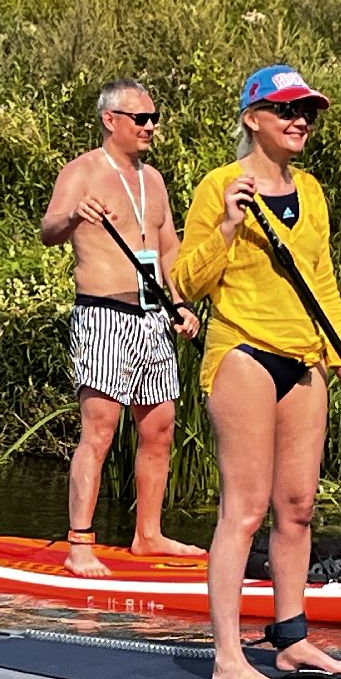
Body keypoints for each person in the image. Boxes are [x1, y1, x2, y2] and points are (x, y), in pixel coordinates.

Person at [172, 66, 341, 679]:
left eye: (307, 112)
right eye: (287, 110)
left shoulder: (311, 192)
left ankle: (291, 641)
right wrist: (226, 228)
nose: (301, 121)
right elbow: (184, 283)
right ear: (253, 118)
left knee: (297, 509)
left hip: (306, 360)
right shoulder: (220, 185)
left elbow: (324, 288)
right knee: (243, 511)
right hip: (243, 353)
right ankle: (227, 657)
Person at [40, 79, 204, 577]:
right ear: (111, 120)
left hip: (153, 316)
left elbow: (168, 246)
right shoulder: (82, 170)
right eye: (141, 119)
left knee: (159, 427)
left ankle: (148, 534)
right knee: (100, 430)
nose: (150, 127)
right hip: (103, 314)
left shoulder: (153, 179)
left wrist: (180, 302)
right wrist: (75, 214)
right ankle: (79, 544)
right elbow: (48, 230)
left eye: (155, 118)